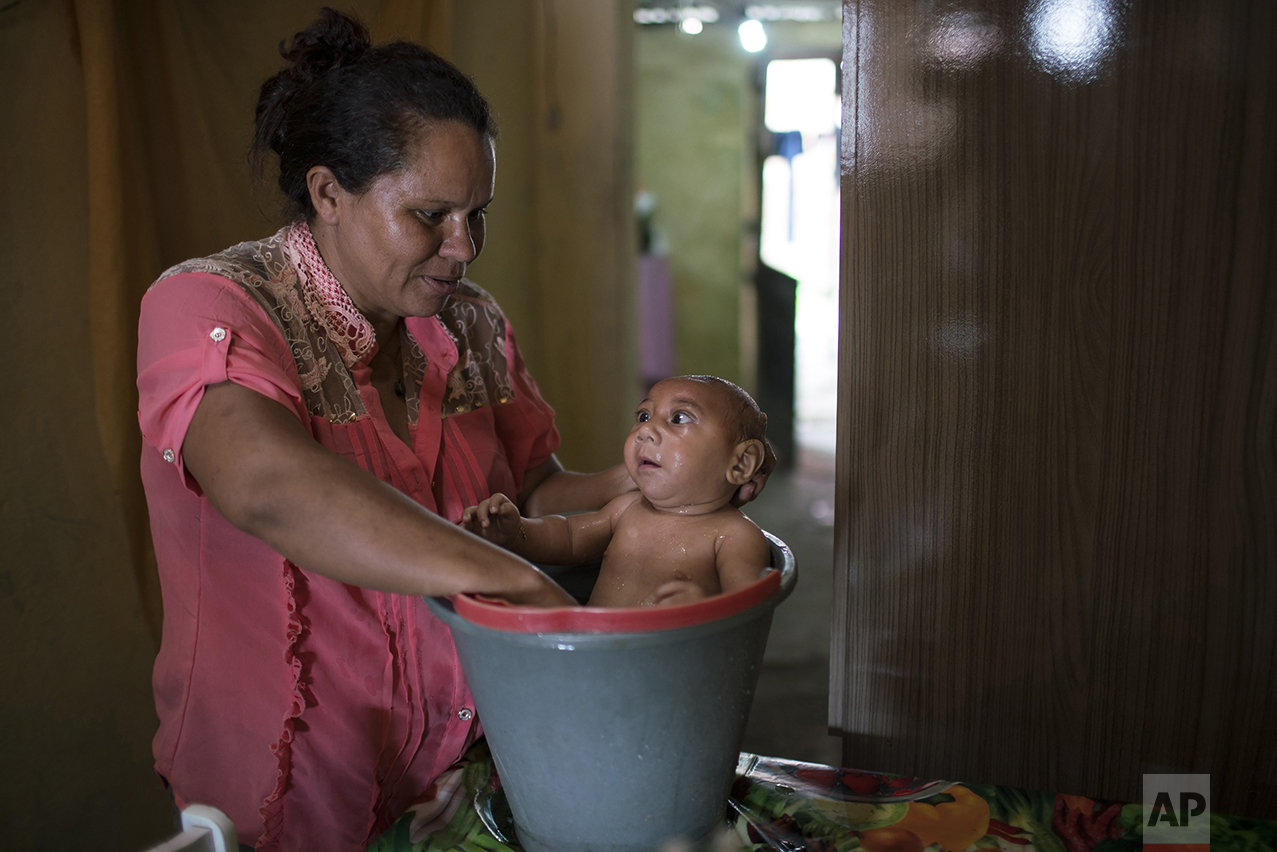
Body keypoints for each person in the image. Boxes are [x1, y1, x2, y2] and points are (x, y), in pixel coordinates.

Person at [135, 12, 776, 851]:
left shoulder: (466, 326)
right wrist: (515, 585)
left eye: (478, 215)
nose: (462, 247)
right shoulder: (213, 308)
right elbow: (268, 487)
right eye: (430, 215)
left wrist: (669, 477)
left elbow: (535, 492)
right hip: (292, 780)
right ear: (329, 194)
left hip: (464, 755)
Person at [461, 376, 773, 607]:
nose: (646, 431)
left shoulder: (735, 536)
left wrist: (703, 608)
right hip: (600, 662)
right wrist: (517, 533)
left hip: (677, 673)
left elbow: (751, 608)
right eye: (644, 416)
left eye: (679, 418)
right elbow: (568, 537)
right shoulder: (627, 509)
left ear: (742, 462)